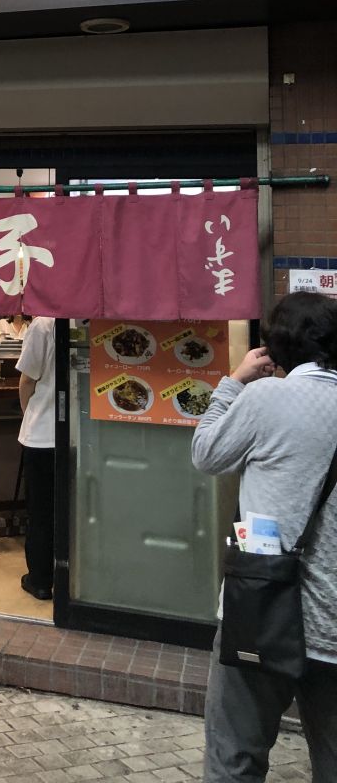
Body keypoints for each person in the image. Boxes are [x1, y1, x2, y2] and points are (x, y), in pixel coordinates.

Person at [192, 291, 337, 782]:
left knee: (235, 757)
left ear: (275, 350)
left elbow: (206, 452)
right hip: (333, 623)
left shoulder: (266, 397)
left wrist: (234, 382)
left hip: (261, 607)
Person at [16, 315, 56, 601]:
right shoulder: (92, 316)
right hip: (86, 434)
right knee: (76, 511)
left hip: (42, 434)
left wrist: (28, 415)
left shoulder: (43, 324)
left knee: (41, 511)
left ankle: (41, 580)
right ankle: (76, 580)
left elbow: (27, 379)